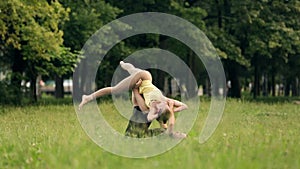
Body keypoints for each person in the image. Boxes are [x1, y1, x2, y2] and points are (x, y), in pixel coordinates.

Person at [79, 61, 188, 137]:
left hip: (145, 79)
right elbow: (184, 106)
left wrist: (170, 111)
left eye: (157, 109)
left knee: (132, 70)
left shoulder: (152, 106)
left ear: (155, 112)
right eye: (161, 106)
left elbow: (150, 115)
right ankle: (88, 97)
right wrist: (172, 109)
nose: (158, 106)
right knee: (116, 89)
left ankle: (124, 65)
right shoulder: (165, 102)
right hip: (144, 78)